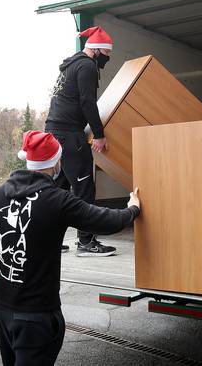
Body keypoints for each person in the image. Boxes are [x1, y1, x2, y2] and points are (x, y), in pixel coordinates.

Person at [0, 130, 140, 366]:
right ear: (56, 162)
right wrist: (133, 209)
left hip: (3, 312)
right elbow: (106, 221)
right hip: (37, 316)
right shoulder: (58, 200)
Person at [45, 25, 117, 256]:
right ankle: (86, 242)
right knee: (84, 187)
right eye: (106, 55)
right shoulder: (86, 66)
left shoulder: (71, 64)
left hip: (56, 131)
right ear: (97, 50)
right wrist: (99, 134)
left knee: (60, 188)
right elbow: (87, 102)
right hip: (69, 133)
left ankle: (48, 238)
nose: (107, 59)